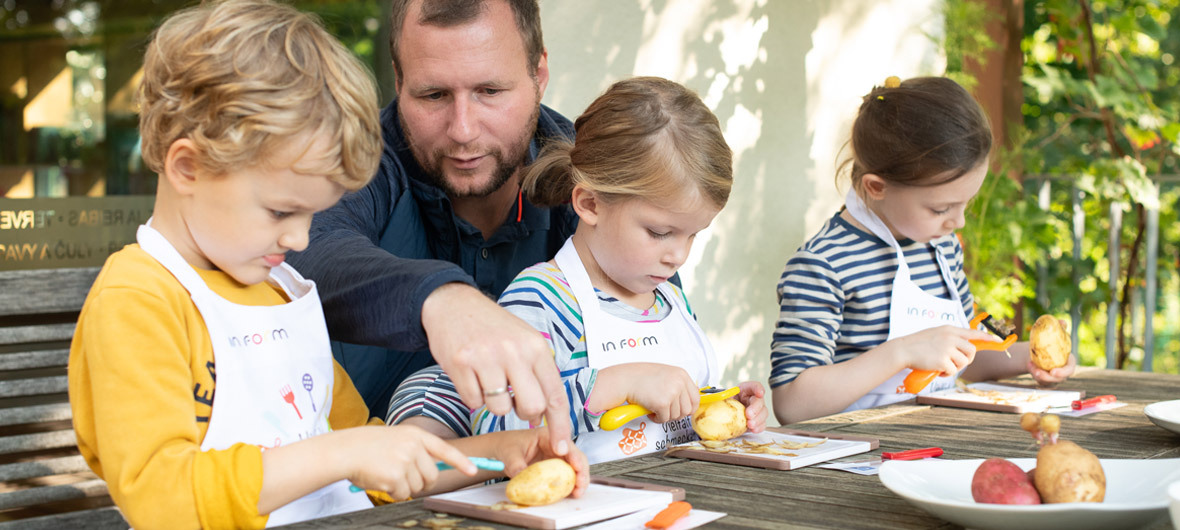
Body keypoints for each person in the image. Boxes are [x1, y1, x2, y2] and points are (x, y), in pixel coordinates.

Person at [67, 2, 586, 528]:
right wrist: (344, 453)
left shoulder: (281, 291)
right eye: (280, 211)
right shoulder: (136, 300)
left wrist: (505, 452)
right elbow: (161, 498)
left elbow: (378, 462)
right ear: (187, 167)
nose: (298, 239)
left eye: (312, 214)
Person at [391, 77, 768, 464]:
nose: (678, 257)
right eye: (660, 233)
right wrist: (614, 384)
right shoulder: (543, 299)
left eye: (693, 236)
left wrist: (720, 401)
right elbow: (495, 429)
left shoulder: (670, 301)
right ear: (589, 204)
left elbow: (671, 408)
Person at [284, 0, 575, 454]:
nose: (462, 129)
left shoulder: (594, 176)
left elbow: (651, 312)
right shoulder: (354, 162)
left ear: (538, 75)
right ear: (399, 82)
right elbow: (303, 253)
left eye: (489, 91)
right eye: (434, 95)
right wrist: (440, 300)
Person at [769, 76, 1077, 425]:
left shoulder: (940, 248)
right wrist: (902, 352)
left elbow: (965, 354)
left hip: (934, 440)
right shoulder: (824, 265)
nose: (958, 222)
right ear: (876, 187)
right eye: (941, 209)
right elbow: (792, 404)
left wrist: (1029, 358)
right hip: (856, 457)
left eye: (966, 204)